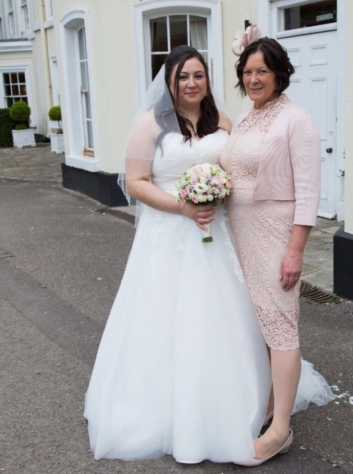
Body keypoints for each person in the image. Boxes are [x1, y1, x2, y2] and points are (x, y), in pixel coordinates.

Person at [84, 44, 333, 465]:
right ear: (169, 81)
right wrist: (181, 205)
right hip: (168, 237)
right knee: (166, 319)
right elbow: (136, 181)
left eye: (198, 75)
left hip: (221, 236)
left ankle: (251, 405)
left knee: (232, 317)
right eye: (183, 76)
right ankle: (173, 409)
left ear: (208, 79)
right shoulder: (150, 123)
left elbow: (244, 171)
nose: (191, 83)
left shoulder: (225, 122)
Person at [221, 28, 334, 466]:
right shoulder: (247, 117)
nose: (253, 79)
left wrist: (295, 251)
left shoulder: (296, 119)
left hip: (275, 233)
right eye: (247, 71)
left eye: (261, 71)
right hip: (241, 234)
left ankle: (281, 431)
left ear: (279, 74)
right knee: (260, 326)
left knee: (281, 325)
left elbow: (308, 191)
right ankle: (269, 407)